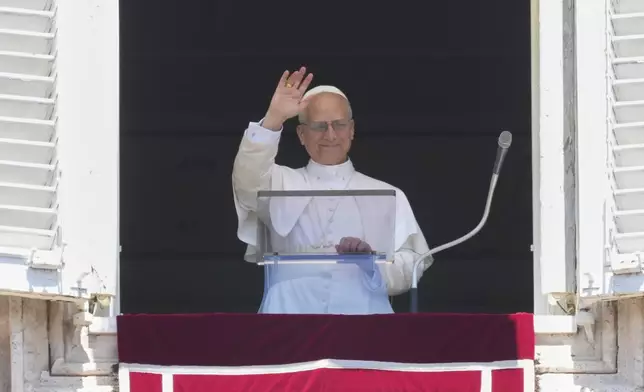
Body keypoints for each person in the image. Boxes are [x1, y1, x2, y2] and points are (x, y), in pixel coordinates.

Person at [232, 66, 432, 314]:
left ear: (352, 130)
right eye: (318, 126)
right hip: (289, 317)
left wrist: (372, 262)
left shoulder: (388, 193)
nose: (330, 134)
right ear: (301, 134)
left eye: (339, 124)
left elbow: (411, 265)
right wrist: (274, 118)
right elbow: (247, 181)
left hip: (364, 318)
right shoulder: (279, 183)